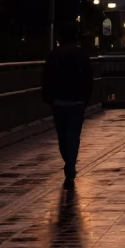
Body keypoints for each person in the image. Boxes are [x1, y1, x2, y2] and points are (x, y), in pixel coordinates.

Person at [42, 22, 93, 189]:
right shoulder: (81, 55)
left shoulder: (55, 55)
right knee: (73, 135)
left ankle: (68, 162)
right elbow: (88, 78)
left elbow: (47, 77)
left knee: (62, 136)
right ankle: (71, 164)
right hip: (77, 101)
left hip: (59, 101)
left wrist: (48, 97)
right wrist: (86, 98)